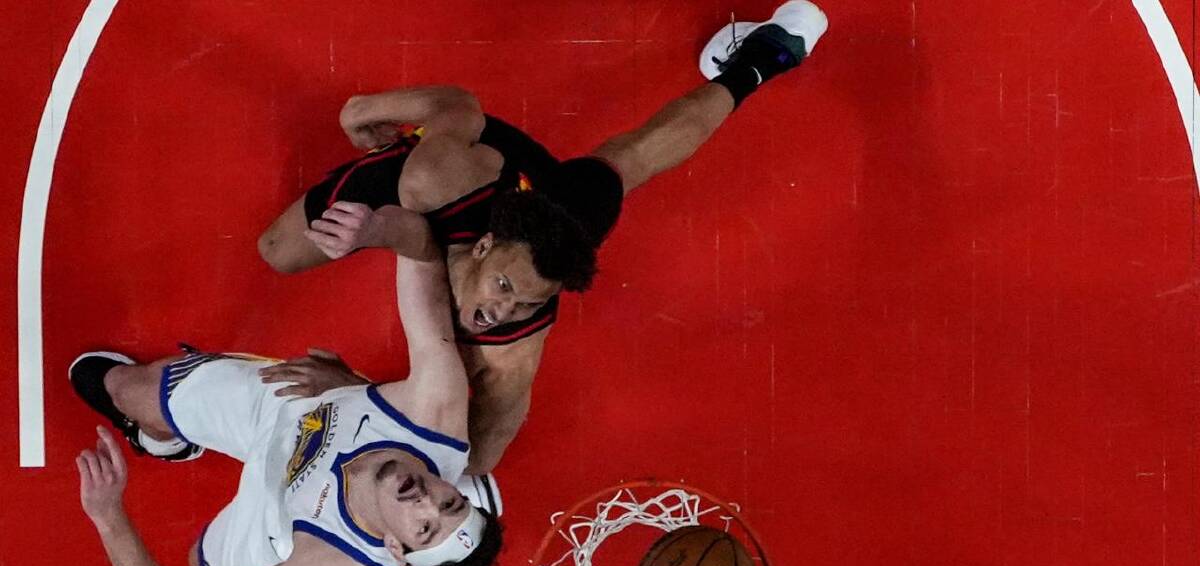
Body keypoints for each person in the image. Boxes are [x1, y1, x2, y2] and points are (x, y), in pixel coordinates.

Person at [255, 2, 830, 477]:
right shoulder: (438, 179)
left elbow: (473, 457)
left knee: (628, 161)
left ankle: (761, 56)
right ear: (483, 248)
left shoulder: (516, 344)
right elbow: (459, 106)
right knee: (277, 255)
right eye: (505, 286)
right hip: (464, 176)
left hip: (547, 197)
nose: (502, 312)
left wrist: (352, 391)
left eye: (526, 301)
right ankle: (758, 57)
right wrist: (362, 112)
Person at [70, 212, 502, 566]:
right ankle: (163, 438)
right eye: (449, 503)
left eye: (424, 529)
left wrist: (109, 518)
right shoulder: (437, 411)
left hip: (277, 516)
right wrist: (375, 231)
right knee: (119, 388)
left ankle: (174, 436)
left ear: (394, 547)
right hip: (296, 408)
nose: (426, 501)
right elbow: (423, 251)